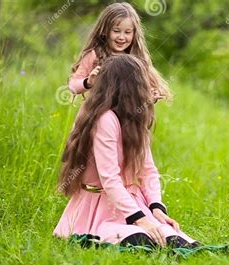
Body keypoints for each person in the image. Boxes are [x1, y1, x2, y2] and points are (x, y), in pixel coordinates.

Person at [54, 55, 199, 249]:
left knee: (172, 238)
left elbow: (148, 171)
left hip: (130, 203)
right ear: (131, 87)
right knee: (140, 239)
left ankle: (148, 226)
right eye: (143, 82)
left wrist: (156, 207)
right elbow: (109, 178)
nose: (147, 87)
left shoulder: (136, 119)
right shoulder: (105, 119)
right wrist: (139, 219)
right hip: (98, 209)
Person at [68, 2, 170, 102]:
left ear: (134, 34)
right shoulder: (94, 55)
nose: (121, 37)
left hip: (128, 115)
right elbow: (73, 86)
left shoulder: (136, 59)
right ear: (104, 30)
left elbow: (148, 90)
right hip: (101, 113)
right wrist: (88, 82)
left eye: (127, 32)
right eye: (116, 31)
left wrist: (151, 96)